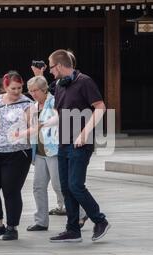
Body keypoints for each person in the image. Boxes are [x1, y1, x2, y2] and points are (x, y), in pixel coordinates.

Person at [46, 49, 110, 243]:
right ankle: (73, 229)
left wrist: (84, 133)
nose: (50, 71)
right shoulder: (59, 85)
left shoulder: (85, 82)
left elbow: (100, 107)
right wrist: (43, 125)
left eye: (51, 67)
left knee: (75, 185)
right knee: (65, 187)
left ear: (59, 65)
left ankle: (100, 221)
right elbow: (59, 114)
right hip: (63, 143)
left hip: (81, 143)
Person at [22, 75, 87, 232]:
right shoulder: (33, 105)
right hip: (38, 151)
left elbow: (60, 119)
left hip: (55, 150)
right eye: (30, 91)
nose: (32, 94)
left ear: (44, 89)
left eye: (35, 90)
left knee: (59, 186)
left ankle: (81, 213)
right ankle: (41, 221)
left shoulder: (55, 101)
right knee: (38, 186)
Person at [0, 71, 33, 241]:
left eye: (19, 88)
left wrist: (24, 132)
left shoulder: (27, 104)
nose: (16, 91)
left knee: (11, 190)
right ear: (4, 87)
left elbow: (35, 126)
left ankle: (12, 227)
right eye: (12, 88)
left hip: (18, 153)